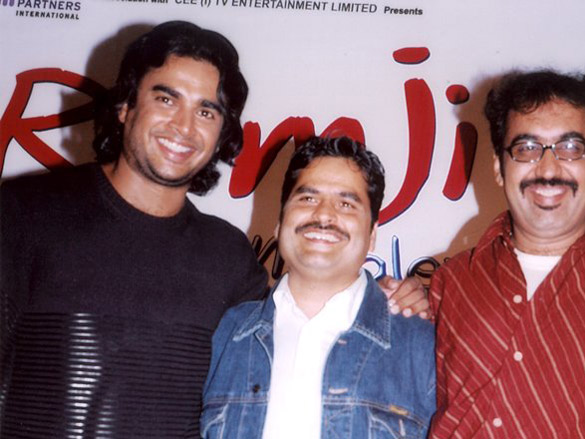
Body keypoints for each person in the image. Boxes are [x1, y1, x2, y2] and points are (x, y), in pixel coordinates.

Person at [0, 21, 268, 438]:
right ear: (125, 106)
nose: (184, 127)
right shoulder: (24, 214)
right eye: (166, 99)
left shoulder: (230, 259)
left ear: (221, 134)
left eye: (205, 111)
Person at [201, 136, 436, 439]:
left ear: (372, 236)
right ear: (279, 223)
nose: (324, 214)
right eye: (308, 199)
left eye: (346, 204)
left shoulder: (423, 345)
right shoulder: (225, 334)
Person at [429, 70, 585, 438]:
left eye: (570, 148)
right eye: (527, 149)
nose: (549, 169)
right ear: (500, 168)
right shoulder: (450, 283)